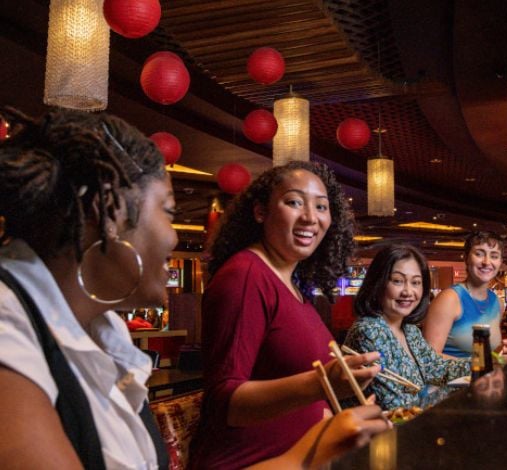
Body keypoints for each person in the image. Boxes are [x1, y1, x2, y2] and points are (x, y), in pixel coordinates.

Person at [0, 107, 387, 469]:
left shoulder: (107, 330)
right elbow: (227, 399)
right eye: (169, 212)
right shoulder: (7, 325)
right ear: (108, 210)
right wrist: (306, 455)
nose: (173, 238)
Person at [190, 161, 386, 469]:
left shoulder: (293, 285)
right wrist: (323, 383)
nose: (310, 217)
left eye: (321, 207)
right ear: (260, 212)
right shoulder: (245, 275)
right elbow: (224, 402)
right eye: (294, 202)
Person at [344, 244, 469, 411]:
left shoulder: (409, 329)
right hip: (380, 433)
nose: (408, 291)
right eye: (397, 281)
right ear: (378, 282)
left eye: (416, 282)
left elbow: (437, 368)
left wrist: (490, 361)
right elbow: (397, 405)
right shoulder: (369, 332)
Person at [423, 231, 507, 358]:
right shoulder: (449, 299)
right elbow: (429, 358)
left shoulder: (497, 302)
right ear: (466, 257)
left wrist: (504, 352)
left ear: (500, 262)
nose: (487, 262)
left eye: (494, 256)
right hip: (454, 378)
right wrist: (480, 365)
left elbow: (487, 354)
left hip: (484, 377)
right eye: (479, 254)